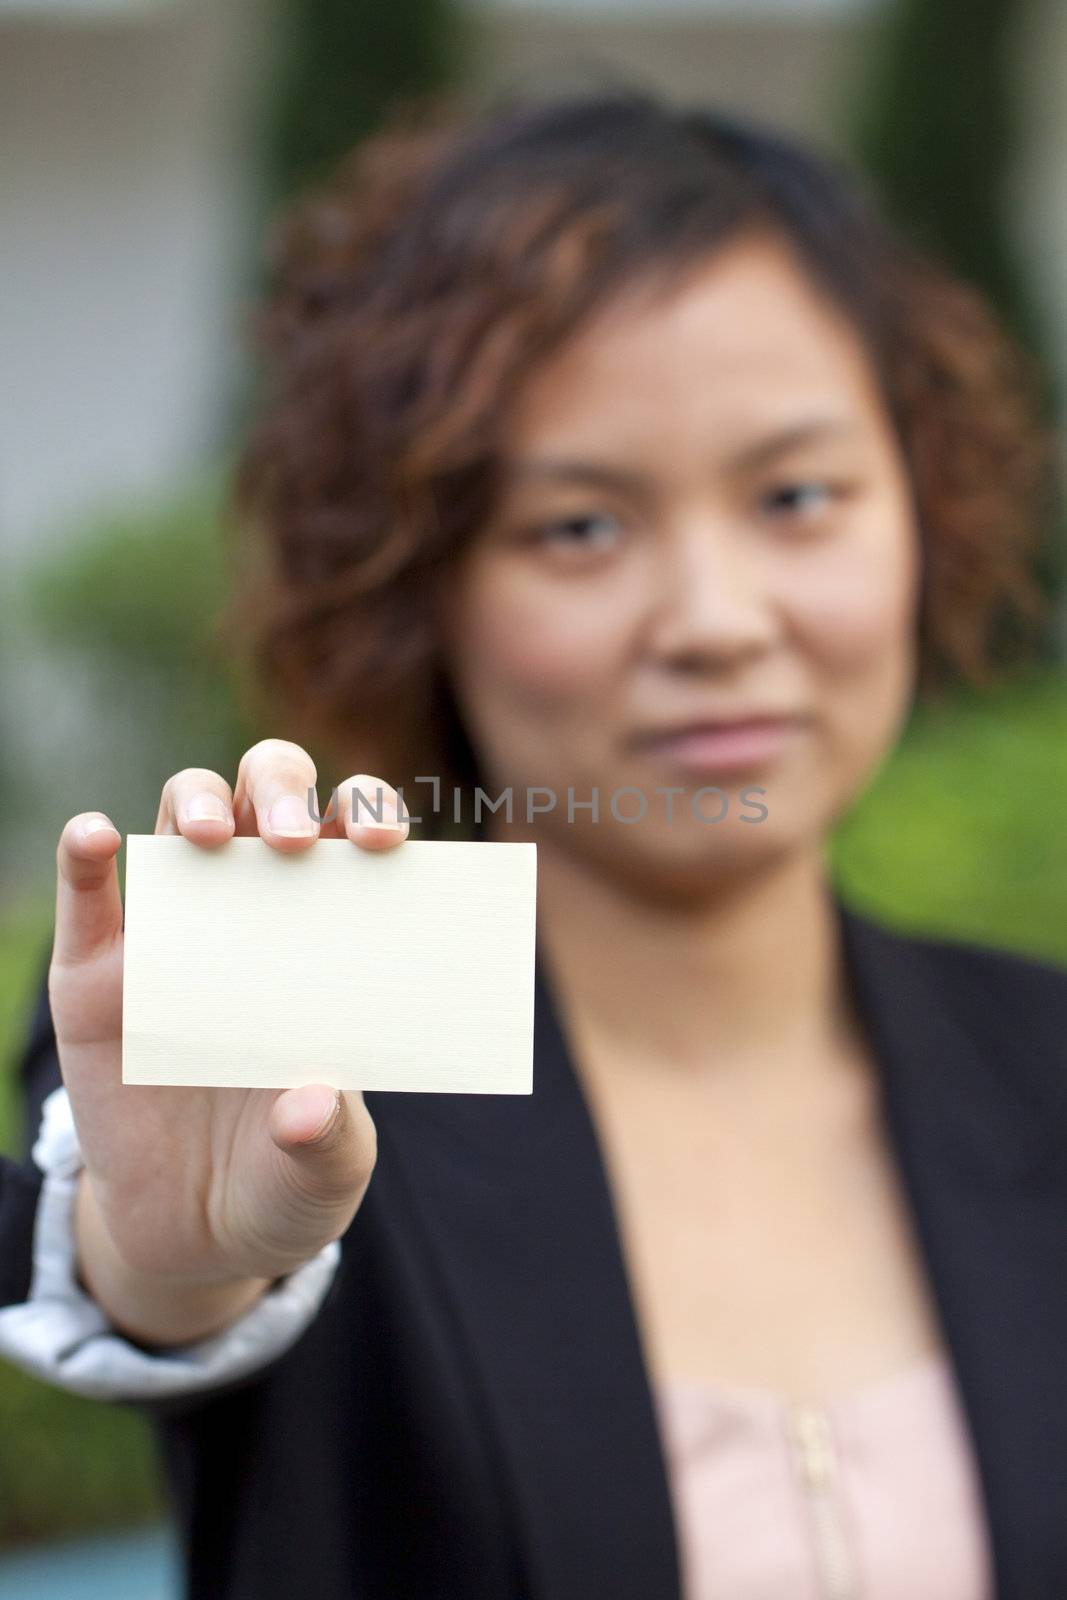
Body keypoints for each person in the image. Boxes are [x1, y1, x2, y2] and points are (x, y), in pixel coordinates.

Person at [1, 87, 1066, 1600]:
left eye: (797, 496)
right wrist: (171, 1264)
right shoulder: (290, 1038)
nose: (714, 619)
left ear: (925, 511)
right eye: (579, 526)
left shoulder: (1048, 1061)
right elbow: (146, 1242)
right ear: (417, 582)